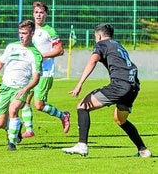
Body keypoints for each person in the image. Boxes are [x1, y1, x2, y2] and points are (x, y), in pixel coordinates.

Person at [61, 24, 152, 157]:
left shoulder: (101, 44)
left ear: (99, 36)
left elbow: (92, 61)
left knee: (82, 106)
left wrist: (79, 83)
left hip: (120, 85)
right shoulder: (118, 45)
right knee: (120, 120)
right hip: (133, 86)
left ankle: (82, 145)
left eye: (95, 37)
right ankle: (143, 150)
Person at [0, 20, 42, 151]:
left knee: (13, 110)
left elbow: (36, 78)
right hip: (5, 88)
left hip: (21, 88)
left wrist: (26, 89)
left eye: (25, 33)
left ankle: (12, 143)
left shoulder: (35, 54)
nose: (21, 36)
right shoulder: (11, 47)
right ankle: (16, 127)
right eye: (20, 33)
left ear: (32, 33)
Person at [21, 1, 70, 138]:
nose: (38, 15)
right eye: (36, 12)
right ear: (33, 14)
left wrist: (40, 56)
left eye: (41, 12)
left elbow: (60, 50)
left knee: (39, 105)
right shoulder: (30, 30)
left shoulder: (50, 31)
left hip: (45, 72)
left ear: (46, 14)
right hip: (31, 72)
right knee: (24, 100)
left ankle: (63, 115)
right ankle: (29, 130)